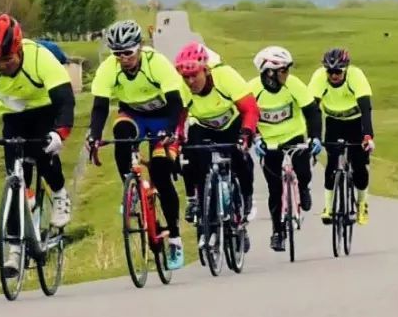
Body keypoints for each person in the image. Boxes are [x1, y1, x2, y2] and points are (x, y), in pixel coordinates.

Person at [0, 14, 76, 273]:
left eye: (7, 59)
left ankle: (59, 194)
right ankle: (15, 248)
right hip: (13, 117)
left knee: (44, 153)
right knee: (14, 179)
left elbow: (65, 102)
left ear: (19, 49)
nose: (2, 66)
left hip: (44, 110)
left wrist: (60, 133)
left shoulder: (40, 58)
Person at [87, 20, 187, 269]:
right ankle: (130, 193)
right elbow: (99, 107)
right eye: (117, 54)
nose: (123, 59)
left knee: (162, 174)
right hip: (134, 116)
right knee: (121, 133)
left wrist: (170, 131)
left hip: (165, 116)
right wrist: (94, 136)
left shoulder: (157, 63)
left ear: (140, 47)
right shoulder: (109, 68)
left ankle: (174, 238)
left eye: (128, 53)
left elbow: (176, 102)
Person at [172, 41, 260, 241]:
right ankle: (195, 200)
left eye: (195, 75)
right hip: (203, 126)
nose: (191, 81)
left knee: (241, 159)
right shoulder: (183, 87)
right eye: (186, 77)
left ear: (206, 69)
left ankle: (245, 198)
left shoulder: (225, 76)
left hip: (232, 124)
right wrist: (177, 140)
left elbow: (251, 109)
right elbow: (179, 118)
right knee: (190, 158)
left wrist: (246, 133)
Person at [247, 46, 323, 252]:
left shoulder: (294, 84)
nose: (288, 74)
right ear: (269, 73)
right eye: (284, 71)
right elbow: (245, 117)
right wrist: (256, 139)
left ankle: (304, 188)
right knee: (275, 188)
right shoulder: (253, 89)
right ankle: (278, 232)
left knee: (303, 169)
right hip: (269, 142)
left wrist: (316, 137)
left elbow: (312, 112)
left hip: (294, 136)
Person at [307, 47, 375, 225]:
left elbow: (366, 107)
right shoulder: (319, 78)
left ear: (345, 70)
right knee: (331, 164)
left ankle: (362, 204)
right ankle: (328, 207)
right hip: (333, 122)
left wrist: (368, 136)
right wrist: (312, 136)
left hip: (356, 122)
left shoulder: (356, 76)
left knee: (359, 166)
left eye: (338, 71)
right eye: (330, 71)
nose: (334, 75)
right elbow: (312, 110)